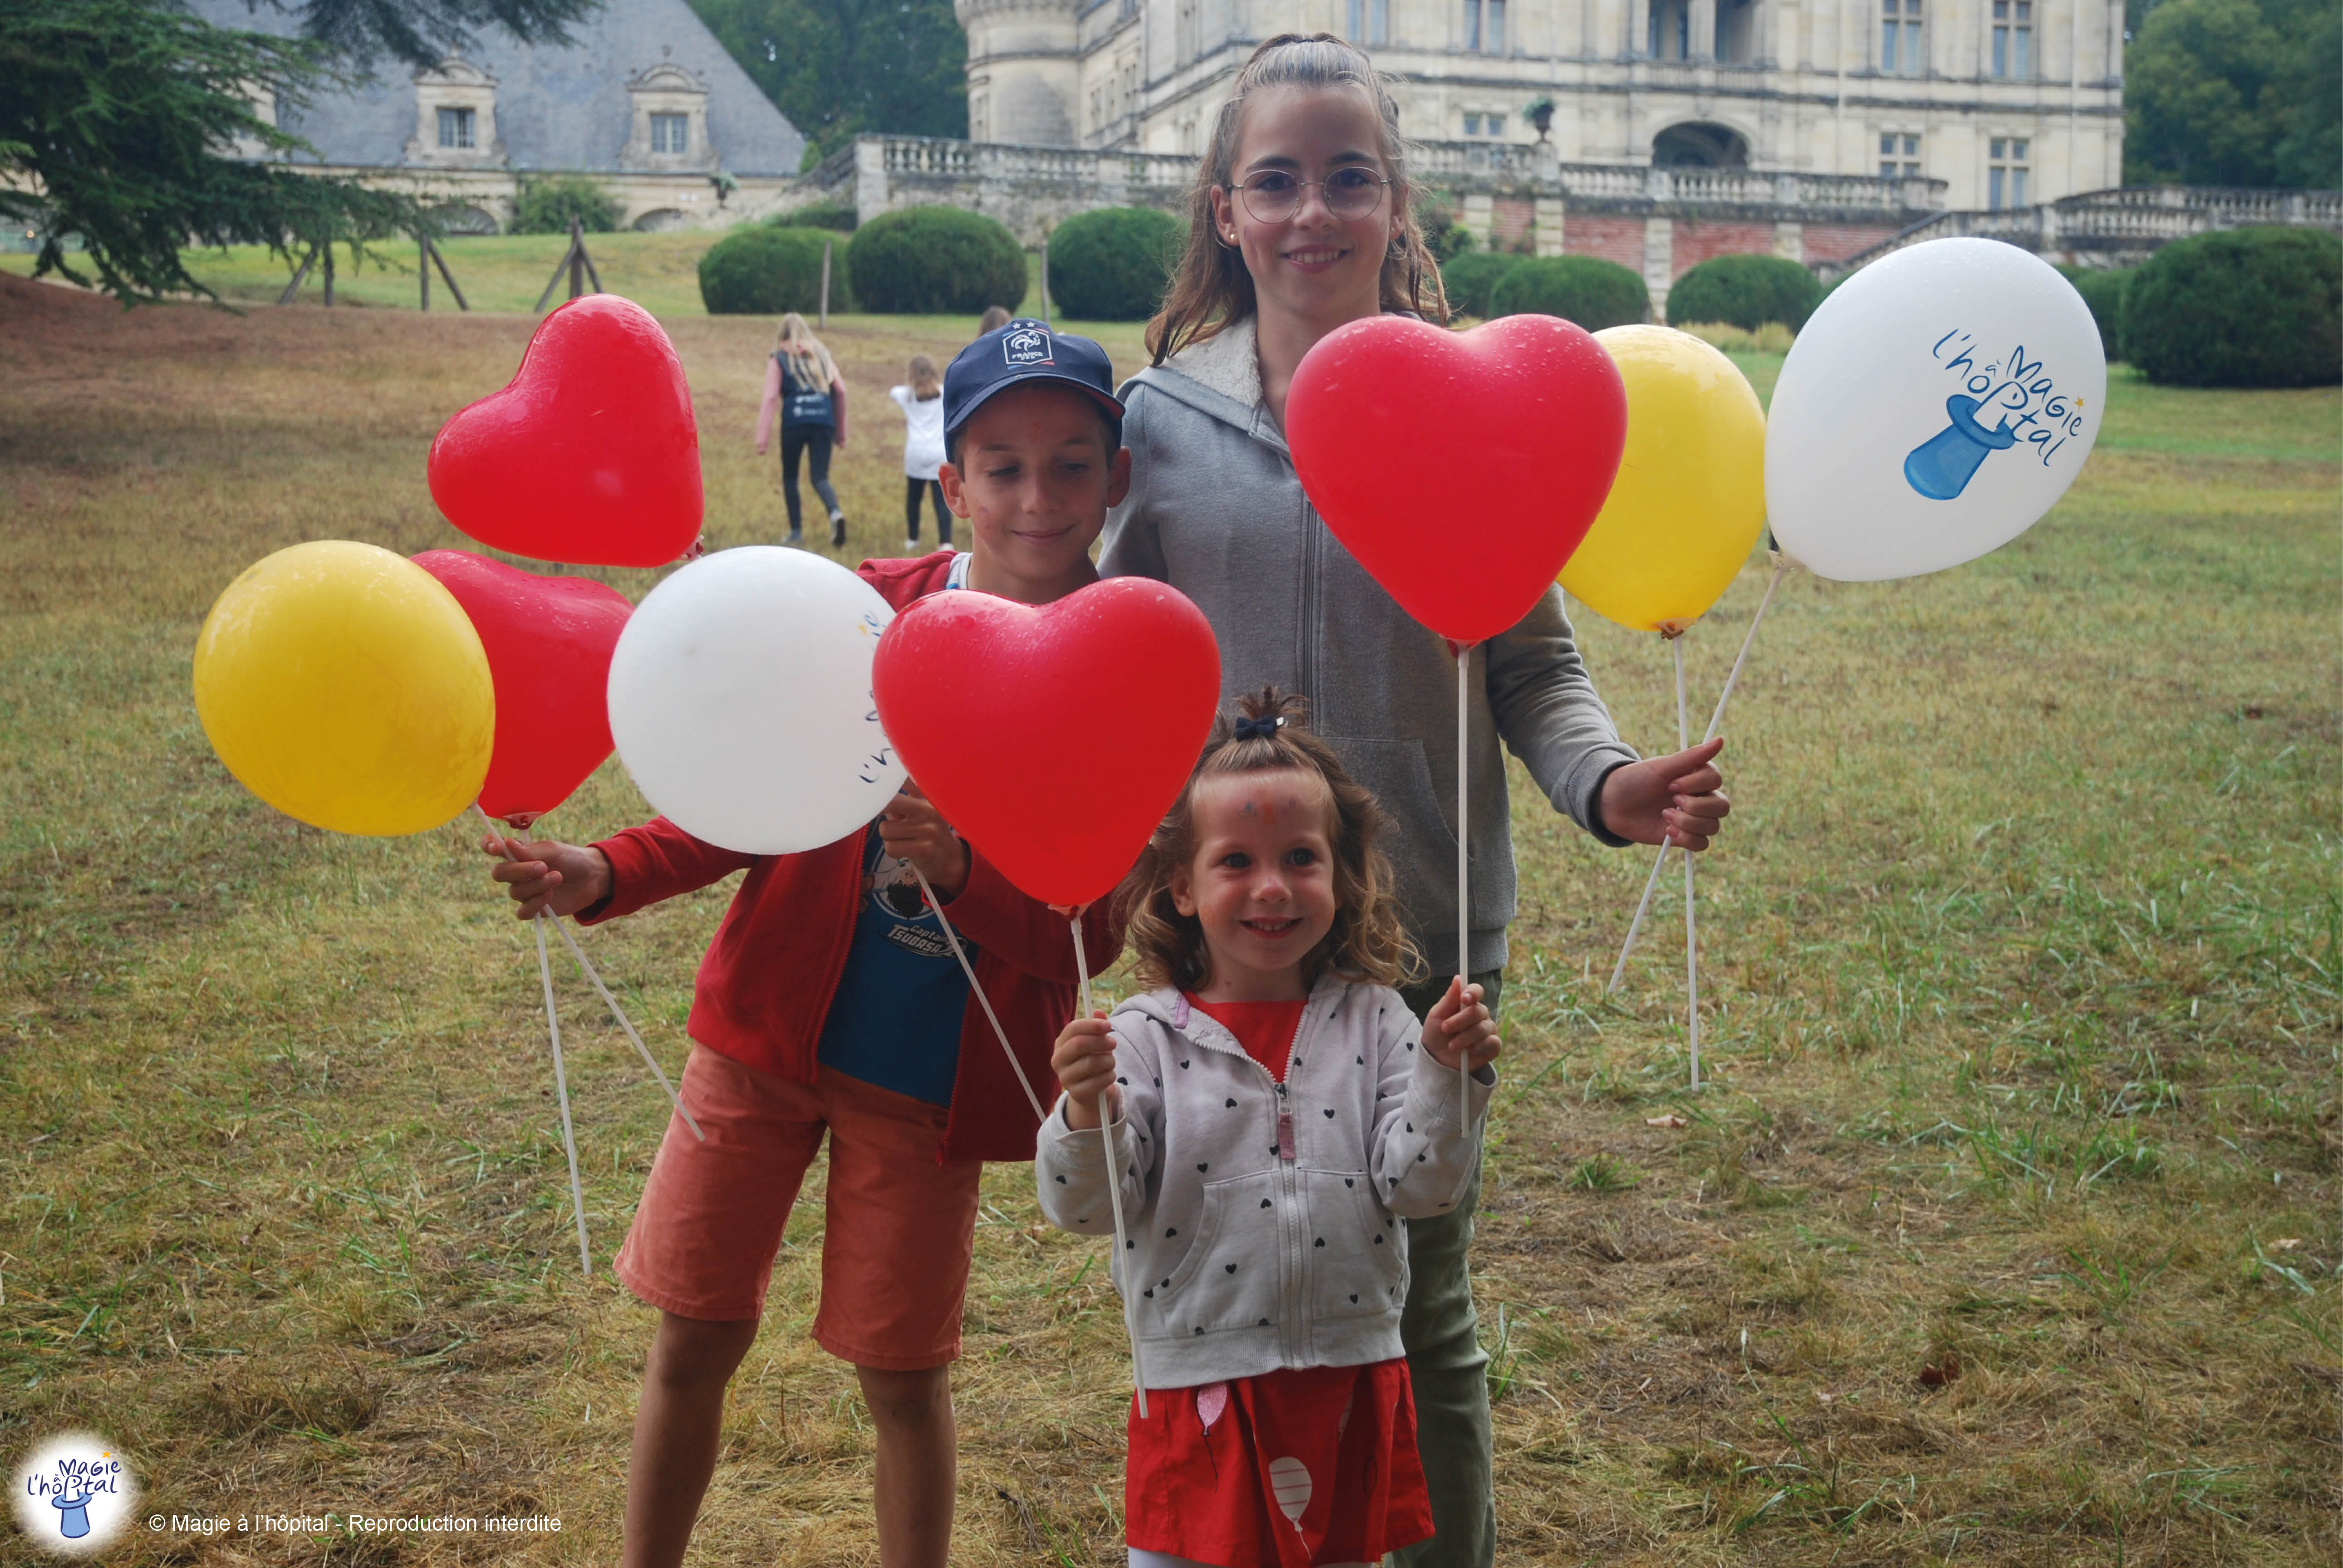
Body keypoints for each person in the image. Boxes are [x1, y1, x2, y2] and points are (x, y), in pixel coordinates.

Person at [1096, 34, 1735, 1568]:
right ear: (1224, 205)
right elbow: (1108, 659)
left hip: (1424, 933)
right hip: (1225, 937)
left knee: (1416, 1309)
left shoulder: (1472, 399)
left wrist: (1608, 783)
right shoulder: (1158, 423)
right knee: (1219, 1297)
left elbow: (1530, 663)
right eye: (1276, 180)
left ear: (1395, 198)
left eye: (1348, 177)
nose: (1312, 210)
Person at [484, 315, 1135, 1568]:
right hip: (764, 1044)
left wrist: (969, 876)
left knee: (901, 1378)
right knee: (693, 1333)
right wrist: (605, 868)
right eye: (1002, 465)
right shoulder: (860, 615)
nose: (1037, 496)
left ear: (1114, 478)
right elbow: (753, 801)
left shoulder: (1123, 660)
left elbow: (1093, 929)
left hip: (928, 1088)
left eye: (1071, 464)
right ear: (954, 481)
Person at [1041, 686, 1501, 1568]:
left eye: (1300, 857)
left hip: (1345, 1382)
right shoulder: (1138, 1038)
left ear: (1341, 873)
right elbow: (1087, 1209)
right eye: (1235, 862)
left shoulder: (1377, 1024)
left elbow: (1424, 1187)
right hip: (1197, 1390)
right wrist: (1083, 1111)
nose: (1271, 888)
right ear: (1180, 885)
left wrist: (1446, 1074)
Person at [754, 312, 848, 547]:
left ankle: (796, 531)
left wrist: (762, 439)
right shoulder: (822, 355)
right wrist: (841, 433)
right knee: (819, 477)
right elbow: (841, 391)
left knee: (790, 477)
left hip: (794, 422)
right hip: (823, 421)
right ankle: (835, 513)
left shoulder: (779, 357)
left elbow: (771, 397)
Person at [889, 353, 950, 552]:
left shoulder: (907, 396)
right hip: (939, 454)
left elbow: (893, 391)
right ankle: (945, 542)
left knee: (914, 499)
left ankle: (912, 539)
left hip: (915, 454)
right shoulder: (944, 394)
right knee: (941, 500)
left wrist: (911, 387)